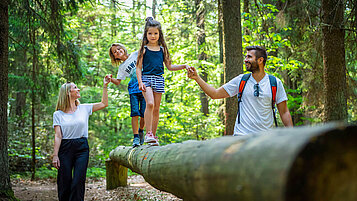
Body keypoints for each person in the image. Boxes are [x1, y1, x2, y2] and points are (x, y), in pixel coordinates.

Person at [187, 46, 293, 136]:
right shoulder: (241, 80)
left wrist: (292, 136)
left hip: (265, 139)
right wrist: (197, 78)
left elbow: (284, 112)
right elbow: (215, 94)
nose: (245, 60)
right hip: (241, 137)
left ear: (260, 60)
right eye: (245, 57)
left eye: (249, 57)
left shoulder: (274, 82)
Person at [52, 75, 111, 201]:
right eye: (75, 87)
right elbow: (58, 136)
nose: (78, 89)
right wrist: (55, 155)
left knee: (78, 181)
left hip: (82, 148)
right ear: (68, 93)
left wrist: (105, 85)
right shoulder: (58, 114)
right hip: (65, 148)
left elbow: (104, 103)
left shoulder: (84, 108)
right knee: (64, 181)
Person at [136, 17, 190, 145]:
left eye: (155, 33)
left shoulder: (162, 49)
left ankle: (153, 136)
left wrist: (184, 66)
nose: (153, 36)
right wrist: (140, 82)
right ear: (146, 34)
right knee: (150, 104)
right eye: (150, 33)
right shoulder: (144, 49)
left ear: (159, 34)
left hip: (159, 79)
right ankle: (148, 133)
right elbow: (138, 68)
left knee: (156, 109)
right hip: (146, 79)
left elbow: (170, 67)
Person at [109, 43, 146, 147]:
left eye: (118, 49)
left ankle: (141, 131)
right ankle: (135, 137)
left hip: (144, 86)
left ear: (123, 48)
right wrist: (110, 79)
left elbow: (145, 50)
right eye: (115, 52)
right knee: (135, 113)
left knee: (144, 113)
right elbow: (118, 81)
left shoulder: (135, 54)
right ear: (115, 57)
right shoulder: (121, 67)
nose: (117, 51)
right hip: (133, 89)